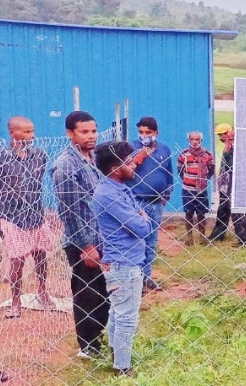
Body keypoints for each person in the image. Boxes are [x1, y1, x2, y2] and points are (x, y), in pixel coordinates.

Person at [51, 111, 108, 360]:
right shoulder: (66, 165)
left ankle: (99, 337)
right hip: (82, 242)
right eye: (84, 132)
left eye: (93, 131)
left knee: (103, 291)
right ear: (70, 134)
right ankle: (87, 345)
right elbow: (70, 211)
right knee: (87, 293)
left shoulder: (94, 157)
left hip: (101, 236)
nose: (91, 136)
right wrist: (86, 246)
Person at [92, 141, 151, 377]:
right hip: (123, 264)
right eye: (129, 163)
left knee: (119, 311)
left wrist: (141, 217)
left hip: (126, 261)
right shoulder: (109, 195)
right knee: (127, 315)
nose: (134, 166)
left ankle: (118, 355)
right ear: (116, 168)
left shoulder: (119, 188)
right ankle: (122, 368)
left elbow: (139, 218)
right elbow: (141, 226)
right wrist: (143, 218)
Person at [0, 116, 54, 318]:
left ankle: (42, 291)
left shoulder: (39, 155)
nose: (32, 136)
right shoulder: (2, 158)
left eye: (32, 131)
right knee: (17, 260)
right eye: (26, 132)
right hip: (11, 216)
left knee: (41, 254)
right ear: (12, 133)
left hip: (36, 213)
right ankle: (15, 301)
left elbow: (36, 184)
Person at [128, 116, 173, 292]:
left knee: (151, 241)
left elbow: (168, 174)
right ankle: (135, 279)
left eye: (148, 132)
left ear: (156, 133)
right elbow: (125, 170)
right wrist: (141, 157)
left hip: (156, 204)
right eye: (141, 132)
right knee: (137, 240)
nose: (144, 135)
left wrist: (167, 193)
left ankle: (146, 277)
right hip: (137, 202)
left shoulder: (164, 149)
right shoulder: (130, 148)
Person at [209, 124, 246, 247]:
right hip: (225, 185)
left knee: (237, 212)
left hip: (235, 185)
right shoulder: (227, 148)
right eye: (220, 135)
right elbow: (223, 167)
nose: (221, 137)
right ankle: (218, 235)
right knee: (223, 210)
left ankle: (245, 238)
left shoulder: (236, 149)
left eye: (223, 134)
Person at [177, 131, 215, 245]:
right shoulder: (184, 154)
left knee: (201, 213)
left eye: (197, 139)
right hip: (187, 189)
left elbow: (212, 168)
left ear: (201, 141)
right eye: (192, 139)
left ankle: (202, 237)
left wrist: (204, 179)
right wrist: (188, 179)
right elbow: (180, 170)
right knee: (188, 213)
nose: (194, 142)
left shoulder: (207, 155)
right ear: (188, 140)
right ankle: (189, 238)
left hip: (201, 190)